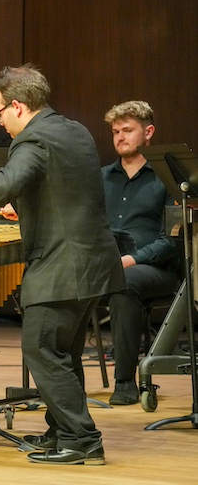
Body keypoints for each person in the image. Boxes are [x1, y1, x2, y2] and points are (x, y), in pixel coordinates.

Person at [0, 64, 123, 465]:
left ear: (19, 106)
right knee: (64, 353)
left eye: (0, 112)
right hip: (94, 262)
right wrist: (23, 207)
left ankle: (82, 439)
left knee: (40, 348)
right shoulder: (74, 129)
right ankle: (61, 431)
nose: (0, 121)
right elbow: (65, 189)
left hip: (64, 264)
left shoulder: (33, 140)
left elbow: (7, 179)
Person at [101, 101, 180, 405]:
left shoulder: (168, 178)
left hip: (156, 268)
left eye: (127, 130)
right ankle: (62, 384)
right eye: (115, 131)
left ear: (148, 133)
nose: (120, 137)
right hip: (108, 264)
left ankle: (125, 383)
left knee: (125, 282)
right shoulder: (101, 177)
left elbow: (171, 240)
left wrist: (129, 259)